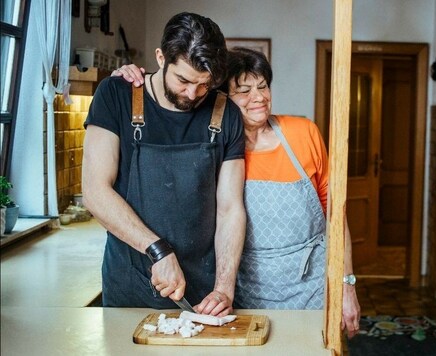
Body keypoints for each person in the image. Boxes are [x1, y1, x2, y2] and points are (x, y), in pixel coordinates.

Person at [114, 47, 361, 338]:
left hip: (313, 288)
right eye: (244, 90)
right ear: (222, 98)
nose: (258, 97)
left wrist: (347, 284)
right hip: (244, 295)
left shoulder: (303, 133)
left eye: (263, 86)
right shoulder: (213, 149)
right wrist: (127, 76)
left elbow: (335, 215)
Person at [83, 12, 246, 317]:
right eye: (183, 80)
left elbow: (230, 209)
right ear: (161, 58)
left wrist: (223, 288)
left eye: (204, 85)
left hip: (202, 295)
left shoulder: (226, 114)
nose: (192, 94)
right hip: (129, 286)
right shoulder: (116, 95)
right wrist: (157, 250)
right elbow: (95, 192)